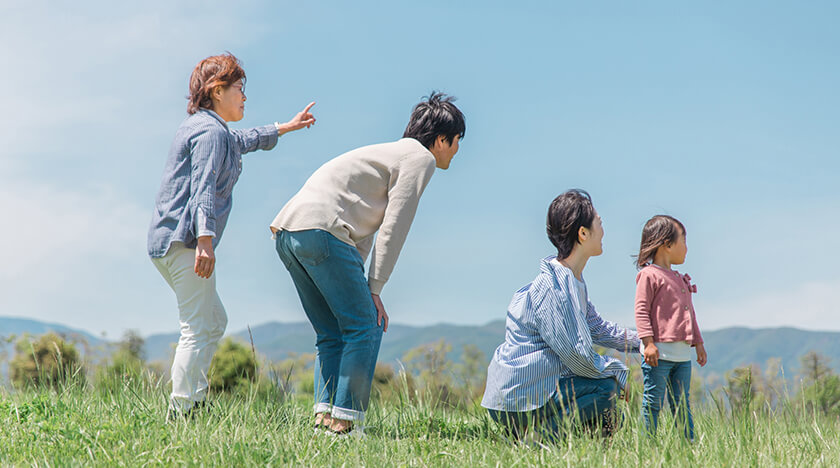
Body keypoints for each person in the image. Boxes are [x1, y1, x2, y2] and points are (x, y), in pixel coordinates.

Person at [270, 92, 465, 436]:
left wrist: (363, 283)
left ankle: (324, 422)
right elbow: (394, 225)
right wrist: (375, 290)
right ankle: (345, 425)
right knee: (366, 326)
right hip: (323, 230)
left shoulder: (387, 153)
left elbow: (361, 235)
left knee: (331, 332)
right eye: (456, 141)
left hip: (289, 231)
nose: (456, 150)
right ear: (440, 140)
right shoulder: (420, 158)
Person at [148, 52, 316, 418]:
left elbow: (244, 139)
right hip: (186, 242)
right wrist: (204, 241)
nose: (244, 96)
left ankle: (195, 398)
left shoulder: (209, 129)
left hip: (170, 242)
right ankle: (182, 409)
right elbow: (203, 187)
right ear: (216, 90)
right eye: (239, 88)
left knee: (214, 321)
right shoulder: (209, 133)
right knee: (198, 326)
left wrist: (286, 127)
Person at [481, 189, 640, 441]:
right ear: (583, 233)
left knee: (610, 416)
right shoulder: (553, 287)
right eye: (600, 223)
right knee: (606, 390)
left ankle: (555, 443)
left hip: (533, 392)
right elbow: (576, 355)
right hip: (518, 399)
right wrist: (617, 372)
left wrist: (646, 341)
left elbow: (597, 329)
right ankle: (535, 442)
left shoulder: (573, 281)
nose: (603, 231)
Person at [634, 215, 707, 441]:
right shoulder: (649, 275)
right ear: (667, 245)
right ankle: (649, 445)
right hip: (659, 354)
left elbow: (690, 314)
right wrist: (648, 343)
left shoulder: (679, 278)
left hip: (682, 355)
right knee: (653, 401)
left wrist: (699, 343)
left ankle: (689, 444)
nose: (686, 248)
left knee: (682, 403)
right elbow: (641, 310)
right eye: (683, 241)